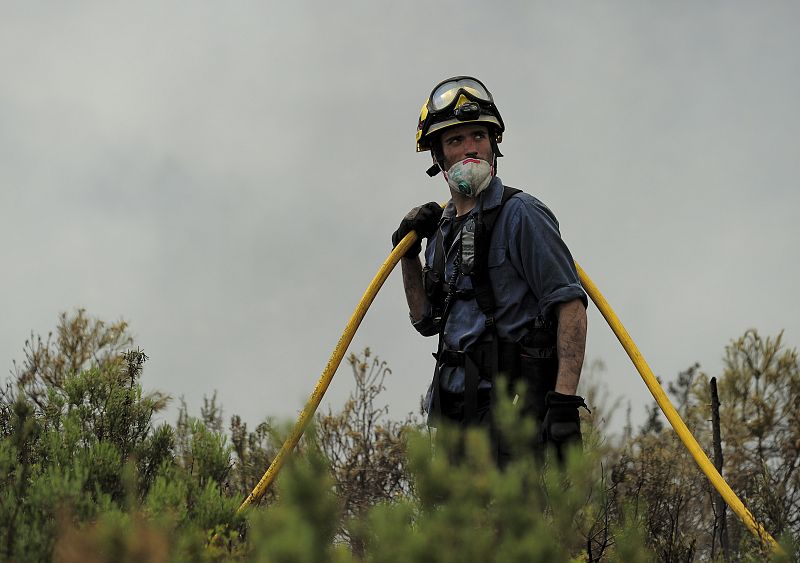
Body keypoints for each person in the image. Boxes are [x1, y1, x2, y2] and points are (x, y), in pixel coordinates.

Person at [392, 76, 589, 465]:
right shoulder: (443, 228)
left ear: (494, 143)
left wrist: (563, 405)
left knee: (509, 525)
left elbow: (570, 307)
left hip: (511, 416)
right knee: (453, 527)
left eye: (479, 136)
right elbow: (424, 320)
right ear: (438, 157)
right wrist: (409, 255)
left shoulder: (523, 215)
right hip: (452, 418)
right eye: (455, 140)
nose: (471, 149)